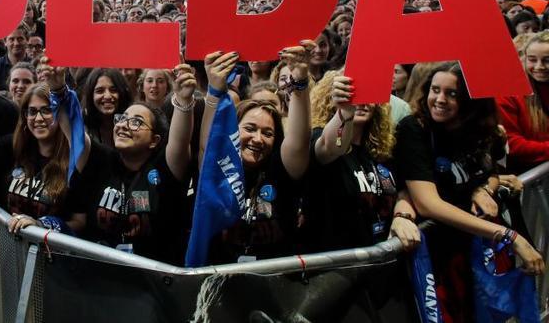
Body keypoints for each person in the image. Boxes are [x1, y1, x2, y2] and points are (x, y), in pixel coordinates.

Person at [396, 62, 544, 322]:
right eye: (435, 90)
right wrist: (509, 236)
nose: (440, 100)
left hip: (473, 257)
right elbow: (428, 204)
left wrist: (485, 188)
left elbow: (489, 173)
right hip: (438, 262)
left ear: (470, 100)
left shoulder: (475, 130)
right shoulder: (414, 129)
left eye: (452, 94)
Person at [199, 43, 313, 262]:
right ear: (234, 130)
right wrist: (214, 88)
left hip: (274, 286)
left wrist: (300, 80)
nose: (258, 139)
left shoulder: (282, 169)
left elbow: (300, 140)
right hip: (219, 282)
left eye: (268, 133)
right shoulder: (219, 166)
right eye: (250, 129)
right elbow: (207, 141)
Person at [72, 64, 196, 262]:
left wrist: (183, 99)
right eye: (122, 119)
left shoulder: (166, 167)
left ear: (154, 140)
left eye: (136, 122)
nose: (123, 125)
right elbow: (75, 133)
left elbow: (180, 142)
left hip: (153, 283)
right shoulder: (102, 161)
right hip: (101, 279)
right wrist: (58, 89)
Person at [0, 78, 88, 234]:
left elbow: (80, 222)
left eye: (46, 110)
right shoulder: (15, 147)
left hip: (53, 255)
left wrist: (42, 226)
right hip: (9, 251)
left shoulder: (76, 158)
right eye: (32, 111)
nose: (38, 119)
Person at [305, 71, 420, 252]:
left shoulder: (383, 150)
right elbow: (332, 146)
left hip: (382, 262)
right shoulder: (321, 138)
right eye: (351, 94)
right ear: (332, 98)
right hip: (338, 268)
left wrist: (402, 216)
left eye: (368, 93)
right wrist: (345, 111)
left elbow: (404, 190)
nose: (361, 101)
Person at [496, 31, 549, 173]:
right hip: (526, 174)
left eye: (547, 60)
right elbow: (512, 144)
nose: (539, 67)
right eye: (532, 59)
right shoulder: (508, 92)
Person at [80, 68, 134, 147]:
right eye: (100, 91)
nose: (108, 96)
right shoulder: (82, 128)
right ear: (90, 96)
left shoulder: (134, 126)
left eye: (113, 90)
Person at [0, 24, 30, 92]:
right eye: (11, 39)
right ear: (5, 42)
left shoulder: (35, 64)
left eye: (20, 39)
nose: (16, 43)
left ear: (27, 41)